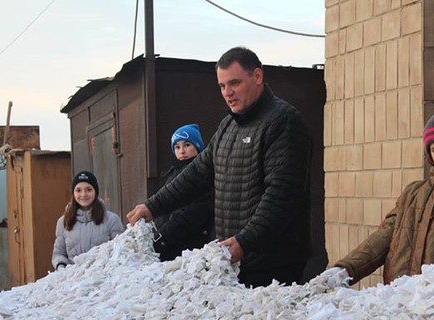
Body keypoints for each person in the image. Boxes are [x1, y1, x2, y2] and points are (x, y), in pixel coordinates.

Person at [127, 46, 324, 288]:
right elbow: (197, 173)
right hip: (235, 258)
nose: (227, 93)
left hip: (274, 263)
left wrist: (246, 241)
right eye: (222, 86)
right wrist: (152, 206)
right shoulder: (228, 127)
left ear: (258, 77)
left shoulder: (284, 123)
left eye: (234, 83)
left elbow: (282, 196)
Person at [315, 105, 434, 288]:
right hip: (399, 298)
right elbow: (385, 237)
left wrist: (427, 286)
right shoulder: (414, 192)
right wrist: (346, 269)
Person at [152, 124, 215, 261]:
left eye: (187, 145)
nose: (182, 151)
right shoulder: (171, 174)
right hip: (166, 244)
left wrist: (162, 238)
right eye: (177, 147)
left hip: (188, 248)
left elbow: (191, 213)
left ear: (198, 146)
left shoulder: (203, 175)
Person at [52, 171, 125, 270]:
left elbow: (121, 251)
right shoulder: (63, 222)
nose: (83, 194)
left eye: (88, 189)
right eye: (78, 190)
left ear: (95, 191)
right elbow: (58, 254)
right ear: (73, 193)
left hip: (104, 279)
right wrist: (61, 267)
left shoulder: (112, 220)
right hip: (72, 280)